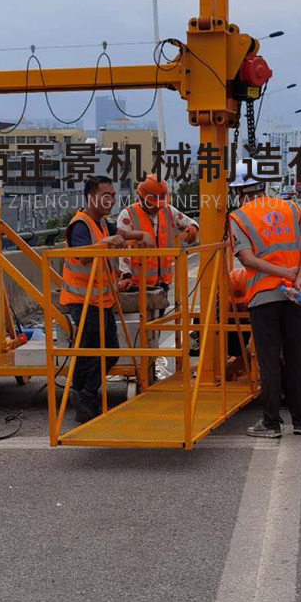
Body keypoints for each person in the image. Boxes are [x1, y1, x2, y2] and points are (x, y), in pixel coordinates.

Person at [229, 161, 301, 437]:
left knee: (269, 361)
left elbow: (247, 259)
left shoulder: (238, 217)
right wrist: (299, 277)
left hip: (264, 298)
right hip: (295, 295)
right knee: (294, 358)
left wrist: (282, 272)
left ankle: (270, 422)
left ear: (242, 190)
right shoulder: (290, 207)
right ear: (263, 185)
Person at [60, 175, 147, 424]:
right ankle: (84, 398)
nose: (110, 199)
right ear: (91, 197)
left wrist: (140, 236)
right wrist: (104, 242)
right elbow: (83, 256)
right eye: (105, 195)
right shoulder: (80, 225)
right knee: (89, 352)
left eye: (112, 195)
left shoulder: (101, 223)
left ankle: (84, 394)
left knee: (108, 351)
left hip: (102, 300)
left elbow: (119, 233)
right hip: (83, 300)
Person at [116, 176, 199, 298]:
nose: (157, 208)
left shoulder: (167, 211)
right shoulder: (128, 215)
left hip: (162, 283)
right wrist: (126, 276)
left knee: (160, 316)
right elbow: (123, 249)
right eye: (153, 204)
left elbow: (189, 222)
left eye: (160, 204)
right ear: (141, 198)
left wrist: (193, 228)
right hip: (137, 285)